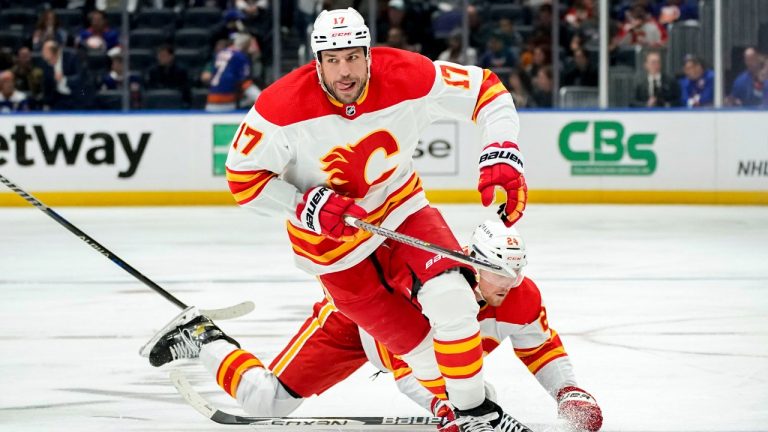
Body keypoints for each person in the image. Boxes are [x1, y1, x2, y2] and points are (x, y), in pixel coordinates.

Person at [220, 7, 526, 432]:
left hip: (402, 210)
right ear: (317, 62)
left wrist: (501, 151)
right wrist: (304, 205)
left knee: (453, 297)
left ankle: (476, 416)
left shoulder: (408, 75)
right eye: (332, 60)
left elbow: (486, 91)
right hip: (332, 250)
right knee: (422, 357)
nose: (344, 72)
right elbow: (242, 179)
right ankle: (206, 342)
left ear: (368, 54)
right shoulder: (280, 108)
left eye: (352, 57)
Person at [142, 221, 602, 432]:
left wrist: (568, 391)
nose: (509, 285)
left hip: (404, 346)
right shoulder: (434, 287)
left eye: (516, 273)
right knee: (262, 400)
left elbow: (539, 346)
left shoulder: (519, 295)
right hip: (355, 319)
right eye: (499, 273)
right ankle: (202, 338)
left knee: (478, 402)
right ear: (471, 261)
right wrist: (447, 403)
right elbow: (401, 362)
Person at [205, 33, 260, 112]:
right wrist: (259, 97)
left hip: (212, 97)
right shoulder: (240, 57)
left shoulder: (221, 53)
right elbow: (245, 82)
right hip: (226, 100)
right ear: (246, 45)